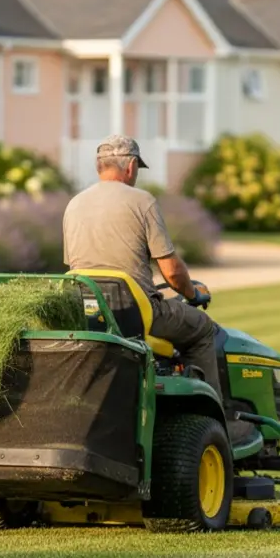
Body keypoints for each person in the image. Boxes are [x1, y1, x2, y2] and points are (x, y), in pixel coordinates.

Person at [62, 134, 223, 399]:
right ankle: (214, 416)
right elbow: (171, 271)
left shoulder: (74, 204)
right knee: (203, 328)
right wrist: (193, 294)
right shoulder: (141, 201)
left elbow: (75, 266)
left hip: (90, 314)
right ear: (131, 166)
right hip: (137, 313)